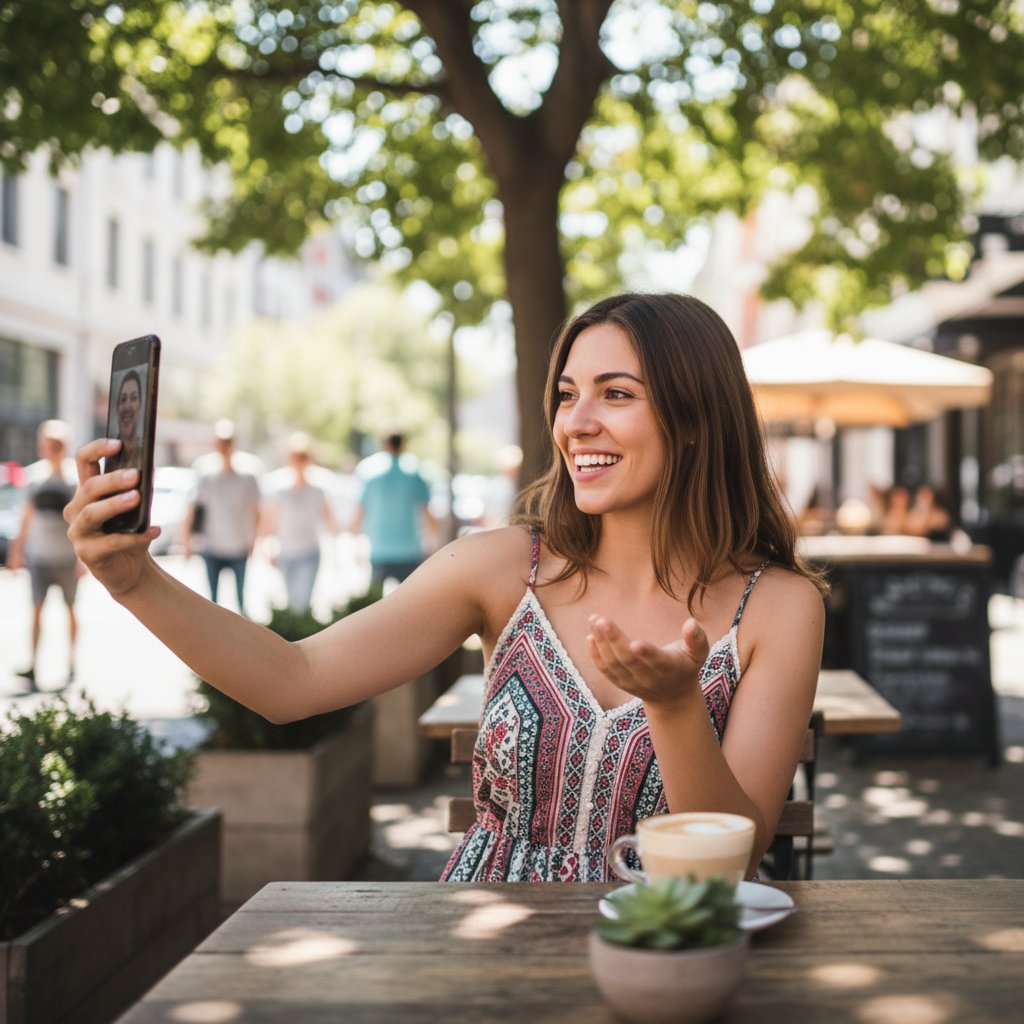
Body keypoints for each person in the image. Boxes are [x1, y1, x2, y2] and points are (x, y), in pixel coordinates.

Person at [64, 291, 825, 882]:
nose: (576, 423)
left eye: (616, 394)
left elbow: (741, 848)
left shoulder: (781, 606)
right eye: (566, 394)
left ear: (696, 417)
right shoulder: (501, 567)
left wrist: (676, 705)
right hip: (478, 941)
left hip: (673, 950)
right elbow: (291, 682)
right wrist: (138, 583)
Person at [6, 420, 81, 691]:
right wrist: (17, 551)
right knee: (36, 611)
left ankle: (72, 663)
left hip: (67, 557)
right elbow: (25, 518)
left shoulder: (73, 478)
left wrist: (83, 560)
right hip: (39, 557)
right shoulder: (34, 477)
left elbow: (81, 521)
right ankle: (33, 665)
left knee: (70, 610)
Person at [182, 420, 262, 615]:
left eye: (227, 441)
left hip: (238, 545)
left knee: (241, 601)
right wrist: (187, 542)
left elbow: (256, 511)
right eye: (220, 441)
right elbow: (194, 509)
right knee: (213, 604)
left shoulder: (248, 475)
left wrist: (255, 540)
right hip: (212, 546)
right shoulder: (205, 472)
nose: (224, 446)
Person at [260, 432, 337, 611]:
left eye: (302, 457)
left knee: (302, 602)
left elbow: (329, 520)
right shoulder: (279, 489)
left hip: (309, 553)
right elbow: (268, 523)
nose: (298, 462)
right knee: (291, 601)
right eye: (294, 457)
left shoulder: (317, 490)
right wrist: (266, 548)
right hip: (286, 553)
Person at [352, 432, 437, 586]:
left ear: (386, 444)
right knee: (410, 603)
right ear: (403, 445)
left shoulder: (369, 471)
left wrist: (356, 542)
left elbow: (360, 510)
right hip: (409, 550)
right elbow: (427, 511)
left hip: (379, 549)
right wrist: (434, 542)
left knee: (375, 604)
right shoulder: (415, 471)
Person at [104, 370, 143, 474]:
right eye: (123, 399)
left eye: (134, 398)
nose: (127, 406)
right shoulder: (109, 457)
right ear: (117, 408)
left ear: (140, 406)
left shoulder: (143, 454)